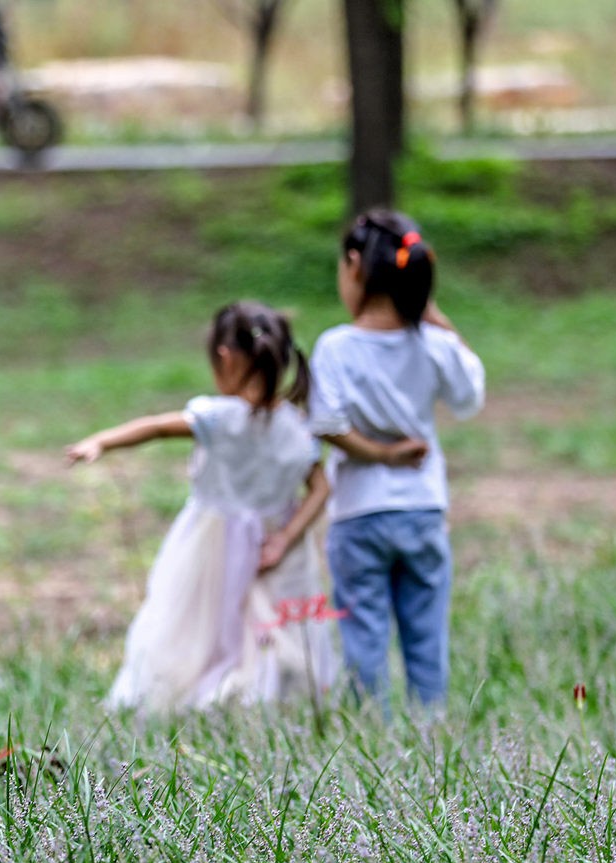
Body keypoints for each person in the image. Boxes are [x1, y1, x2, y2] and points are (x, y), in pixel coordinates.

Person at [66, 301, 428, 714]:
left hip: (210, 541)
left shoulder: (219, 417)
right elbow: (321, 487)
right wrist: (286, 537)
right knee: (270, 627)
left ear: (224, 357)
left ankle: (193, 695)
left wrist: (101, 441)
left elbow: (156, 427)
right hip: (276, 544)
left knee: (193, 622)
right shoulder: (299, 424)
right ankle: (264, 699)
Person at [310, 210, 486, 712]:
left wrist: (380, 454)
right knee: (426, 630)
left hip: (359, 511)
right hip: (423, 508)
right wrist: (437, 318)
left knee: (363, 633)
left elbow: (327, 424)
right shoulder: (433, 343)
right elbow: (469, 395)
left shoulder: (336, 347)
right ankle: (431, 728)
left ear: (354, 265)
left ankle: (371, 727)